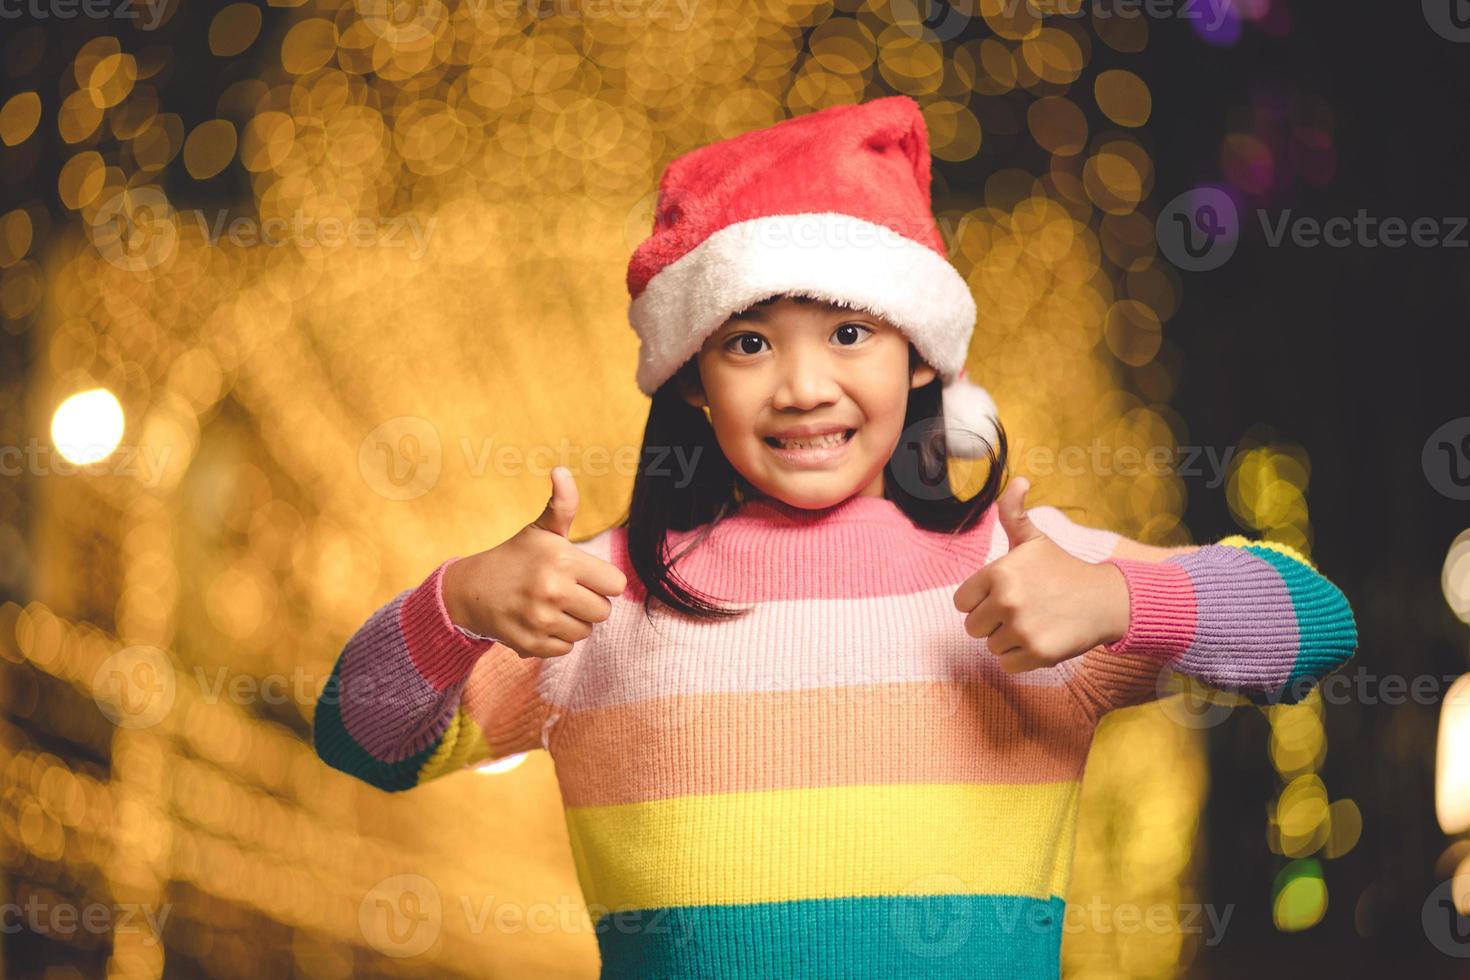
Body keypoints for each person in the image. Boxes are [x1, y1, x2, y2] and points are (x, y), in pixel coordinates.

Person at [311, 96, 1358, 978]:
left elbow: (1317, 625)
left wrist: (1126, 600)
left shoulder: (1028, 575)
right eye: (751, 341)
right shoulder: (597, 598)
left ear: (917, 356)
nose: (805, 385)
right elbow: (362, 741)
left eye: (849, 331)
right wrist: (454, 603)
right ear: (690, 377)